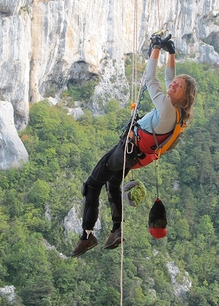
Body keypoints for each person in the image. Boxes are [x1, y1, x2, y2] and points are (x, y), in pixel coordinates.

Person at [71, 34, 197, 257]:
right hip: (133, 154)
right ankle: (117, 230)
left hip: (126, 151)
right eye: (175, 83)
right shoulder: (177, 112)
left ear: (183, 98)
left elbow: (151, 80)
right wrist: (171, 53)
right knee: (112, 184)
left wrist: (155, 50)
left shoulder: (168, 109)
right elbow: (169, 78)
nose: (174, 85)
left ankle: (87, 235)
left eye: (178, 87)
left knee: (91, 185)